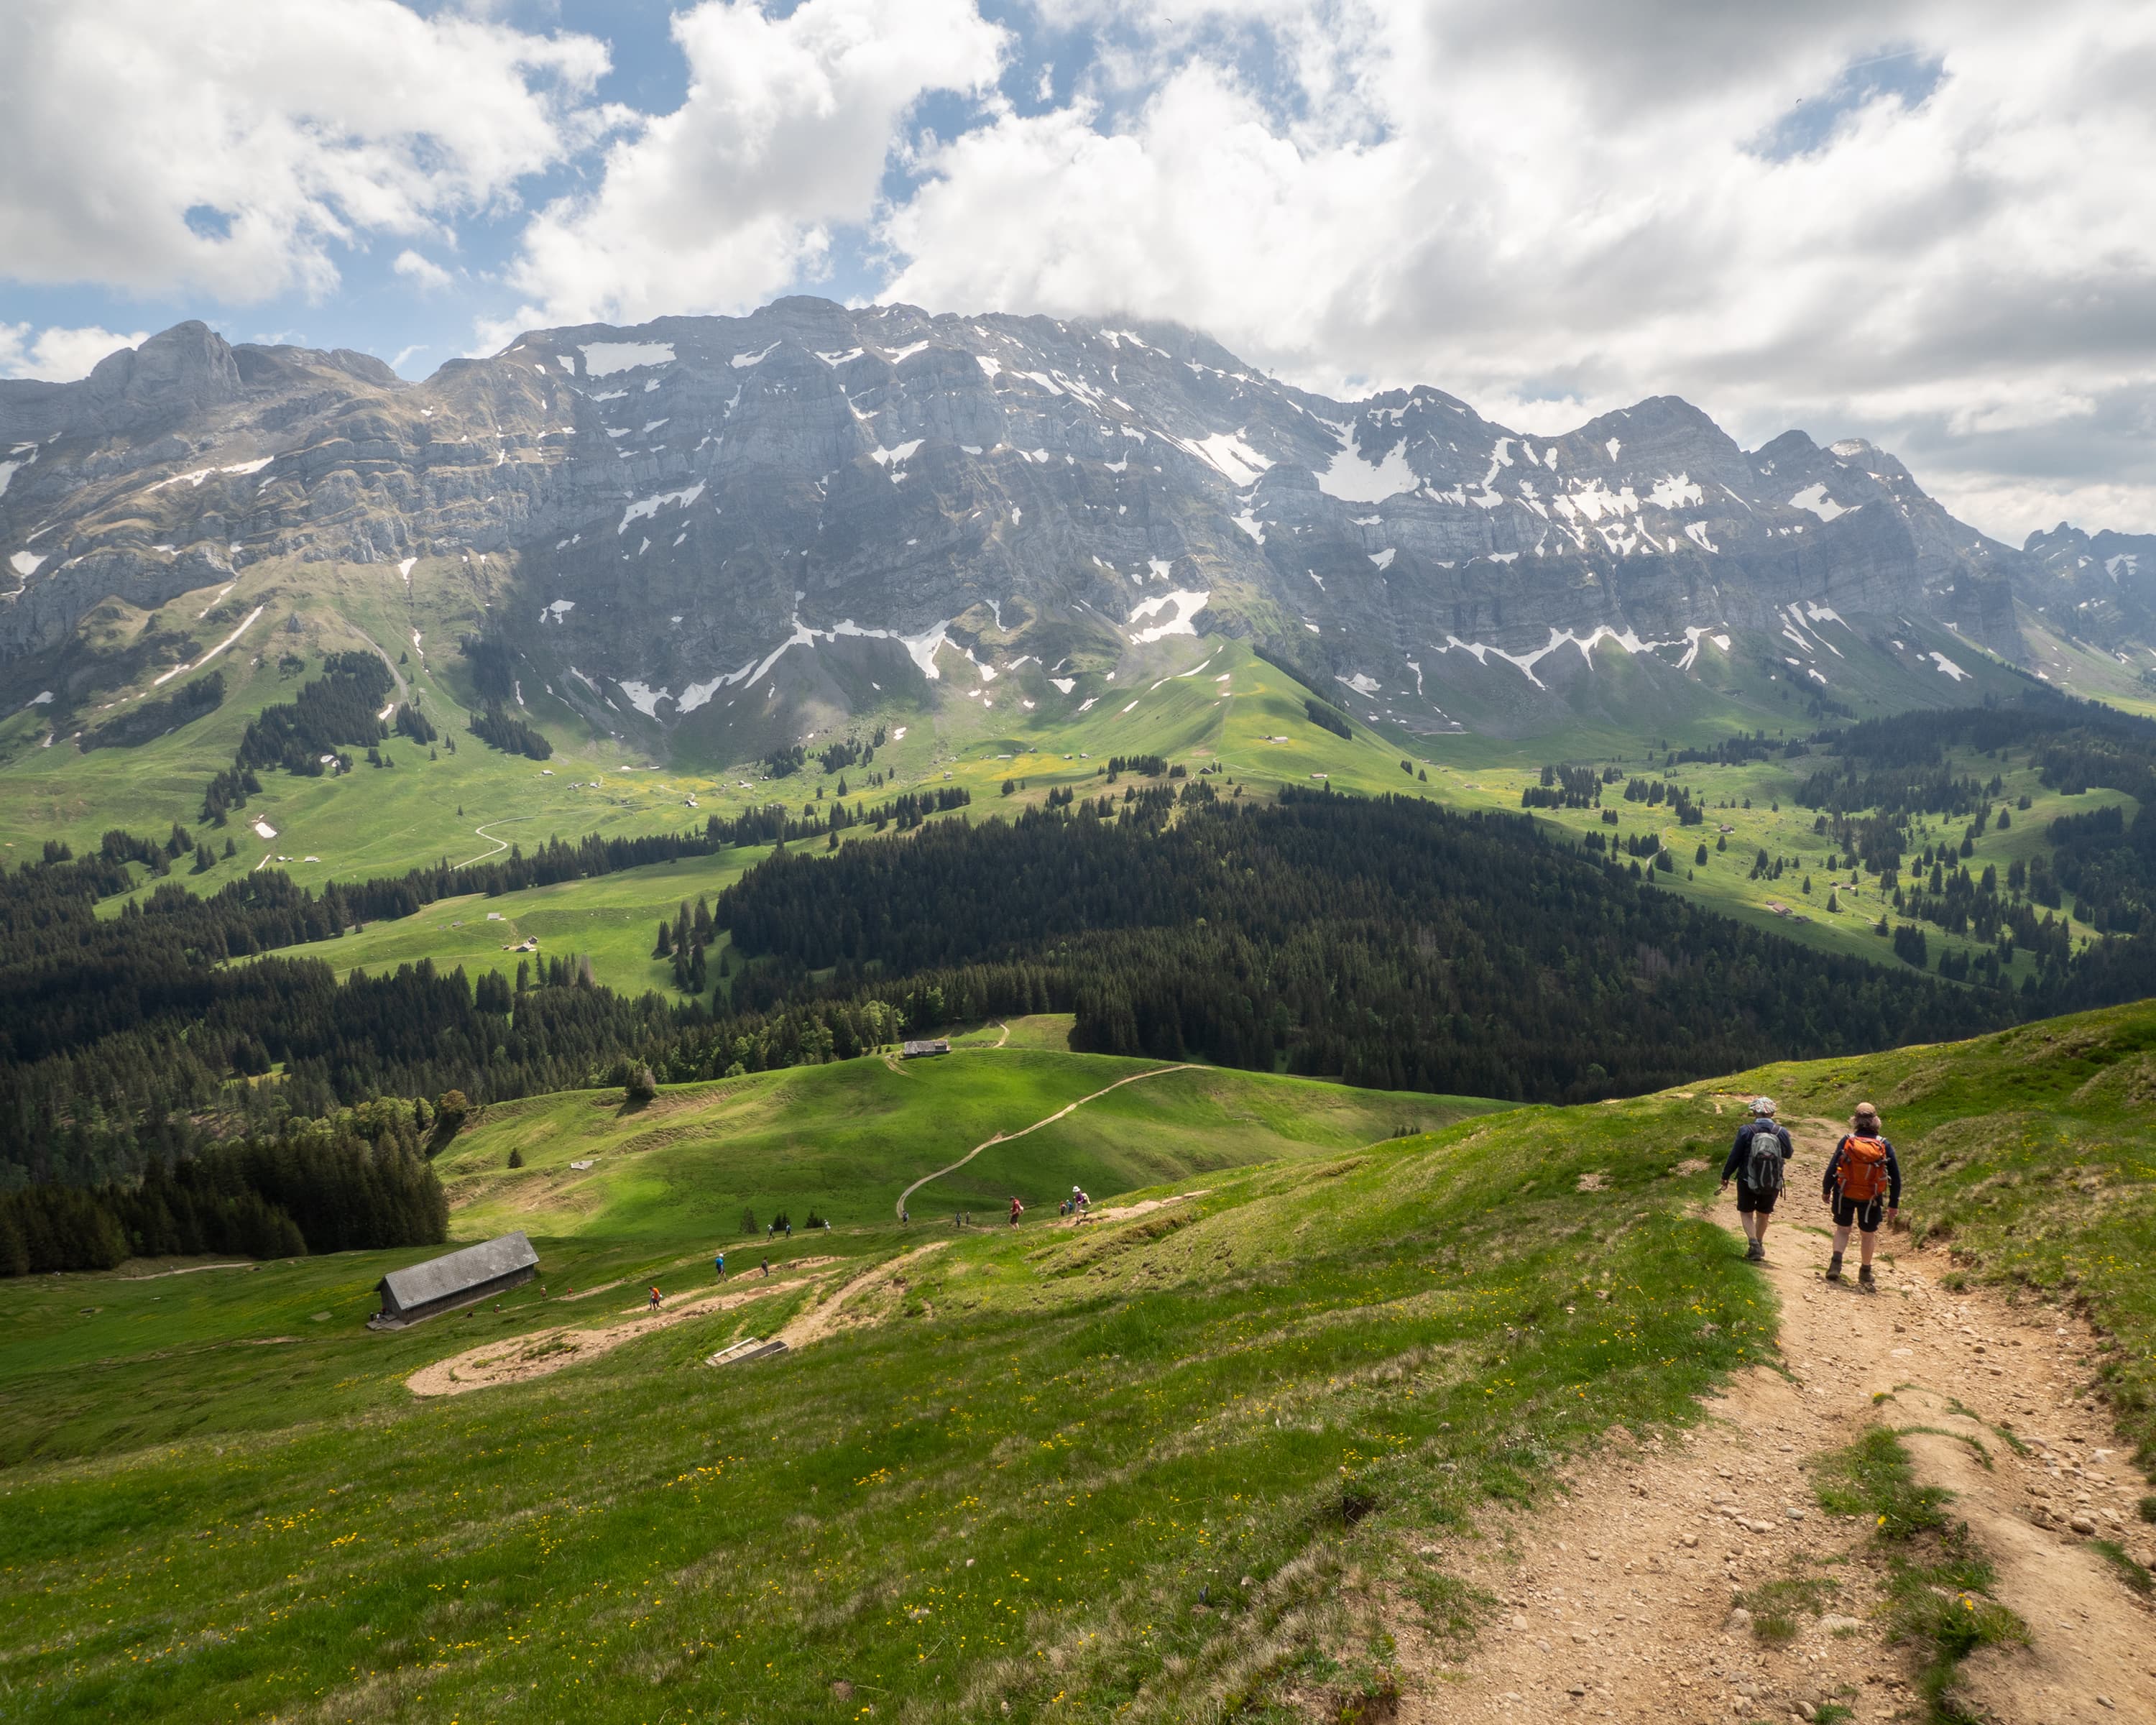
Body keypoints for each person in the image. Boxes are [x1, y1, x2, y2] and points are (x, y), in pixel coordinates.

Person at [1822, 1103, 1901, 1292]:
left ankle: (1836, 1265)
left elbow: (1833, 1166)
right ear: (1876, 1121)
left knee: (1843, 1229)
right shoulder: (1883, 1144)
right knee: (1867, 1234)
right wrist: (1893, 1204)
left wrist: (1827, 1189)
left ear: (1855, 1121)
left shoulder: (1848, 1140)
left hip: (1845, 1191)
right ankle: (1865, 1272)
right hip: (1872, 1196)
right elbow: (1896, 1177)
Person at [1719, 1097, 1792, 1262]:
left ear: (1754, 1112)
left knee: (1746, 1212)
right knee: (1763, 1214)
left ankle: (1753, 1244)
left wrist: (1726, 1175)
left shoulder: (1746, 1130)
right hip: (1772, 1181)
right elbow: (1788, 1154)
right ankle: (1759, 1242)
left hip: (1747, 1179)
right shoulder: (1781, 1132)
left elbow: (1735, 1156)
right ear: (1772, 1113)